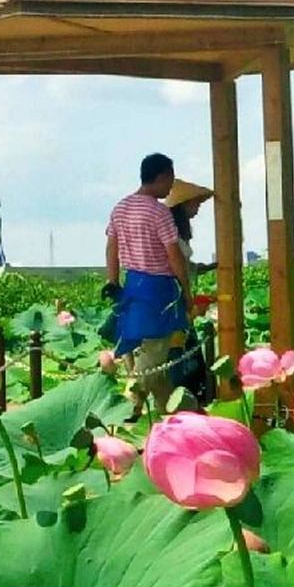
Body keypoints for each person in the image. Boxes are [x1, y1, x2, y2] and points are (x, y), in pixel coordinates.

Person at [105, 152, 188, 409]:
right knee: (154, 352)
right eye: (170, 181)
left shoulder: (120, 208)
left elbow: (111, 247)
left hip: (132, 286)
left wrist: (112, 280)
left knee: (146, 354)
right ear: (161, 177)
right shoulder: (159, 212)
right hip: (158, 289)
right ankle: (129, 407)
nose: (171, 187)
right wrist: (186, 289)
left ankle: (172, 410)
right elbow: (173, 254)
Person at [164, 179, 216, 404]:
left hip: (181, 303)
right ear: (183, 206)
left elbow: (188, 267)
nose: (197, 210)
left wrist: (210, 267)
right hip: (174, 304)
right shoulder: (171, 236)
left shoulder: (179, 235)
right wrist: (188, 298)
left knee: (188, 349)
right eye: (195, 205)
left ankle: (192, 398)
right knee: (180, 354)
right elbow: (177, 269)